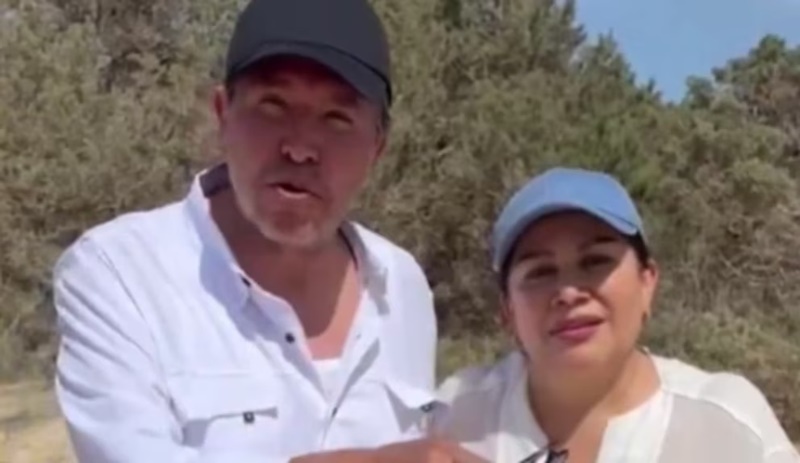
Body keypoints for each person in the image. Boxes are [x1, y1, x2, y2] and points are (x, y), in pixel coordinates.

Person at [52, 0, 482, 462]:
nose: (300, 148)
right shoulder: (119, 274)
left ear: (377, 146)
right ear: (223, 114)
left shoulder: (402, 285)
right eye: (273, 106)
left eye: (337, 119)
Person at [431, 167, 800, 462]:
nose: (569, 293)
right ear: (507, 311)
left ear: (647, 282)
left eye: (595, 262)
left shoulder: (726, 426)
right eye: (540, 272)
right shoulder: (456, 417)